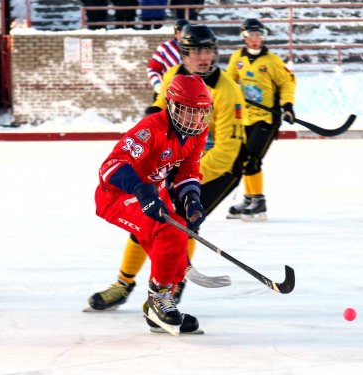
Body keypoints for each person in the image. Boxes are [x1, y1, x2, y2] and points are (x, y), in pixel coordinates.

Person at [88, 24, 247, 317]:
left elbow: (224, 151)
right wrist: (155, 150)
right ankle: (128, 284)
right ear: (184, 55)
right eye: (196, 51)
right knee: (153, 222)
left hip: (218, 168)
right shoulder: (174, 77)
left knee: (182, 226)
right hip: (169, 162)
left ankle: (170, 291)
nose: (203, 57)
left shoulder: (227, 92)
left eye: (208, 50)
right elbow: (162, 108)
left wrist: (188, 190)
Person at [94, 73, 211, 331]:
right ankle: (158, 298)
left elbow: (188, 170)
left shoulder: (197, 133)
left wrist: (192, 200)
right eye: (188, 112)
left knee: (179, 241)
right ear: (172, 106)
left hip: (153, 192)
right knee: (169, 232)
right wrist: (142, 190)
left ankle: (156, 307)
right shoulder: (151, 129)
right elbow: (110, 166)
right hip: (119, 196)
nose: (195, 120)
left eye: (200, 113)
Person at [225, 18, 296, 221]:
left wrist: (288, 105)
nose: (255, 39)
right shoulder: (237, 57)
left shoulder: (272, 61)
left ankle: (259, 202)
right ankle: (249, 199)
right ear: (244, 37)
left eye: (259, 35)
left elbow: (287, 83)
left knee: (253, 159)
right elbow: (229, 82)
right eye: (251, 35)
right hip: (246, 118)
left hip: (267, 118)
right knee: (244, 159)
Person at [145, 19, 190, 107]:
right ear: (176, 33)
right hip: (166, 93)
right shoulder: (165, 48)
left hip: (188, 95)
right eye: (181, 32)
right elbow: (152, 69)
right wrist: (157, 84)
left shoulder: (194, 49)